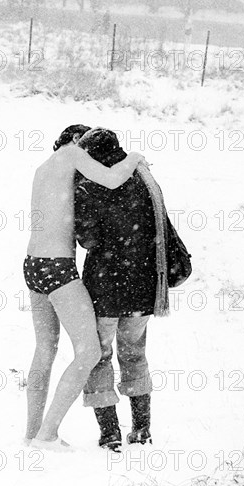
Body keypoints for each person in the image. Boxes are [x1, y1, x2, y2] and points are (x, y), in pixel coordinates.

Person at [23, 125, 146, 450]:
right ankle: (47, 435)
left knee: (44, 351)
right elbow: (112, 177)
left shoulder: (43, 168)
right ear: (77, 141)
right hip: (58, 268)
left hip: (33, 265)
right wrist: (134, 157)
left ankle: (31, 433)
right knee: (90, 351)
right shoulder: (73, 154)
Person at [75, 128, 165, 452]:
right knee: (135, 353)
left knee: (98, 357)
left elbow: (88, 240)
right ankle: (142, 429)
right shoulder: (144, 180)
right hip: (142, 287)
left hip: (104, 290)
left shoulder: (89, 186)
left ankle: (110, 433)